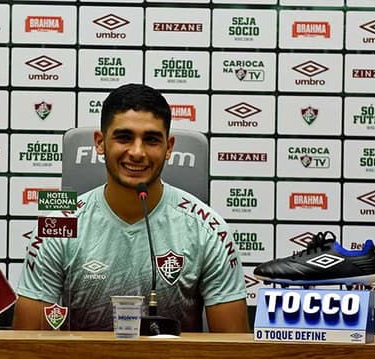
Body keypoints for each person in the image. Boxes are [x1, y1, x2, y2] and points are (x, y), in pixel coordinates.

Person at [13, 83, 248, 332]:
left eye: (151, 140)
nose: (137, 152)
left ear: (169, 148)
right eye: (124, 137)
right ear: (100, 143)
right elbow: (28, 344)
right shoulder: (57, 226)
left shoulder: (207, 229)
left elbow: (233, 348)